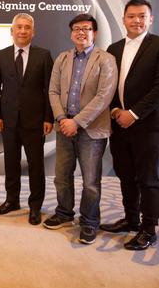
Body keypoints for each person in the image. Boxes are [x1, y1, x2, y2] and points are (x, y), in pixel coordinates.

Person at [100, 0, 159, 250]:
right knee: (125, 175)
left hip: (148, 125)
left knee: (147, 178)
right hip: (119, 124)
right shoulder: (114, 48)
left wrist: (133, 113)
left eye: (142, 16)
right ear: (123, 19)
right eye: (131, 16)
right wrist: (115, 110)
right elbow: (108, 86)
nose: (136, 20)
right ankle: (131, 220)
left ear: (150, 19)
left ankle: (149, 229)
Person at [43, 14, 117, 245]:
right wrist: (62, 118)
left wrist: (77, 122)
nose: (81, 32)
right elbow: (53, 91)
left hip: (91, 130)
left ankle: (89, 221)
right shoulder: (62, 58)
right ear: (71, 33)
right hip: (64, 127)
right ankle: (64, 213)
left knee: (90, 182)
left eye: (86, 28)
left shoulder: (106, 59)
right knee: (62, 177)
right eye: (76, 29)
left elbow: (104, 96)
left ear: (95, 33)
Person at [0, 13, 53, 225]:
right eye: (19, 27)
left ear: (33, 32)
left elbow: (50, 90)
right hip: (8, 121)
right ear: (12, 31)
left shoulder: (44, 55)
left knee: (36, 166)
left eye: (27, 27)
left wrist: (48, 118)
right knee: (11, 163)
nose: (23, 31)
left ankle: (35, 206)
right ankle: (12, 200)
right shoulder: (1, 55)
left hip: (35, 121)